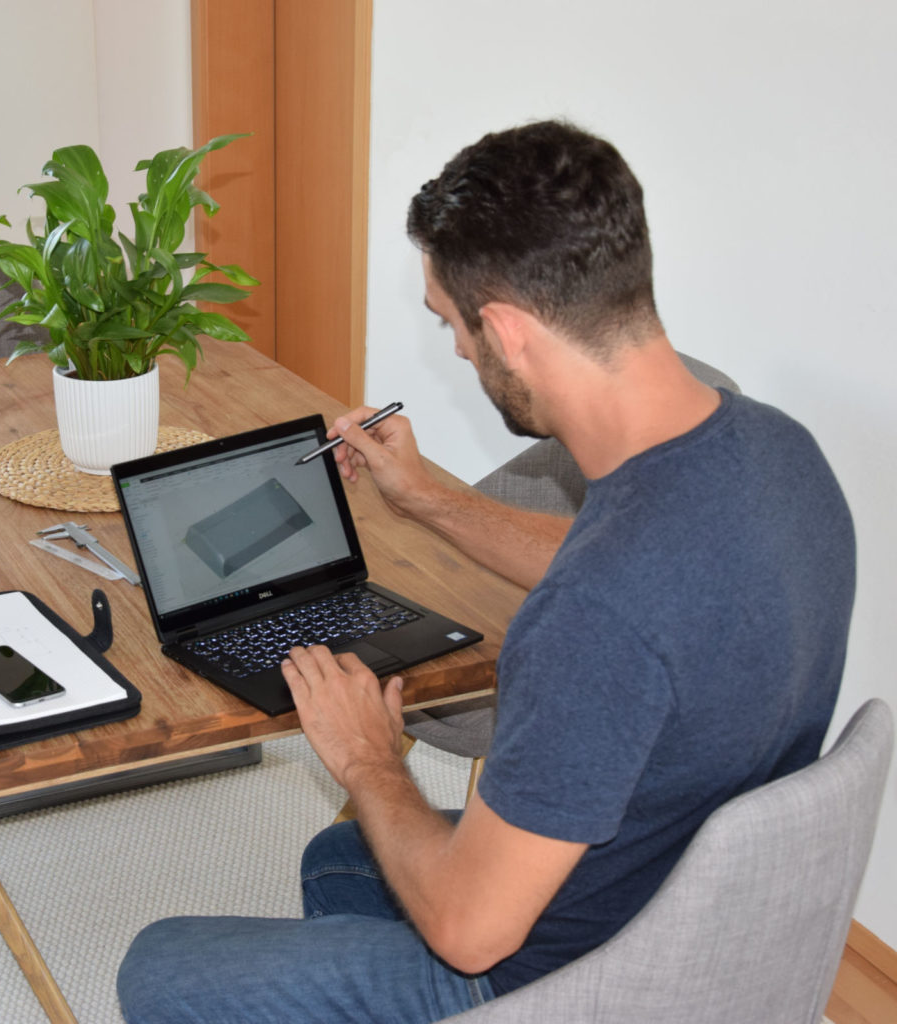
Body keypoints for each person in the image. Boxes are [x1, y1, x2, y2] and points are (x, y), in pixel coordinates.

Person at [117, 120, 855, 1024]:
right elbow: (627, 570)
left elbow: (471, 935)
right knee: (337, 866)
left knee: (157, 968)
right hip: (699, 912)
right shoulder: (781, 455)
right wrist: (424, 496)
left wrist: (368, 760)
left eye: (451, 325)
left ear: (506, 329)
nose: (458, 353)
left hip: (572, 981)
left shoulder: (595, 620)